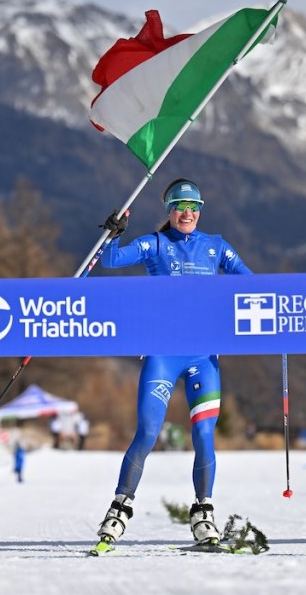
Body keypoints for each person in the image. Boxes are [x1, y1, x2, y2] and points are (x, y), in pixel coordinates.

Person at [94, 178, 252, 548]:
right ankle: (119, 509)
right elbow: (112, 259)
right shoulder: (156, 244)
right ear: (169, 210)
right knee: (148, 433)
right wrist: (112, 233)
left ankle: (203, 513)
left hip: (203, 357)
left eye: (194, 207)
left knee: (203, 434)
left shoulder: (216, 247)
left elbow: (252, 287)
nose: (187, 213)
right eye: (180, 206)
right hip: (163, 353)